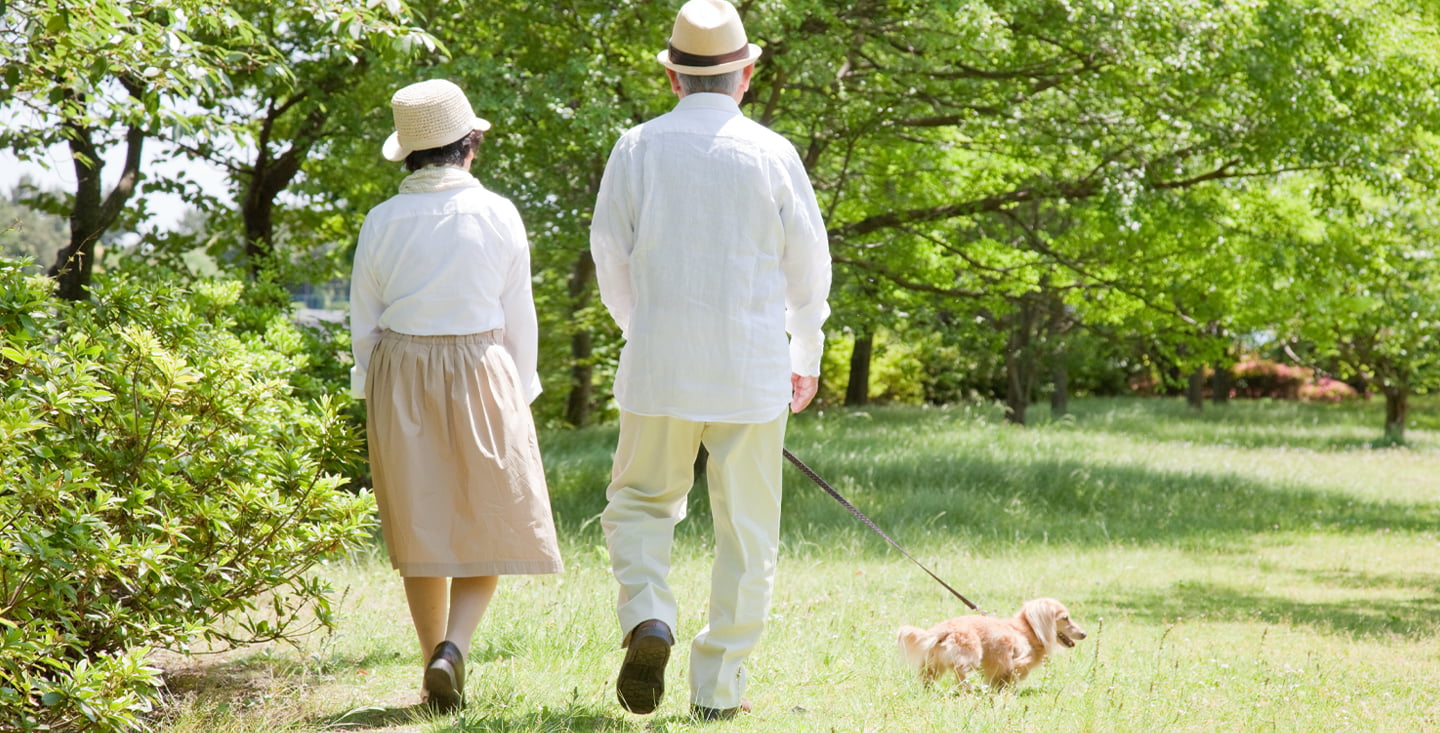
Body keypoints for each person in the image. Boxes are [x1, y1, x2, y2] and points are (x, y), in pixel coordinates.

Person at [589, 0, 832, 720]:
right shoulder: (772, 152)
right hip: (752, 367)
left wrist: (645, 327)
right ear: (746, 74)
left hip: (659, 363)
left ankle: (649, 615)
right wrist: (806, 349)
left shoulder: (636, 147)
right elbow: (808, 269)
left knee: (638, 503)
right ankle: (718, 689)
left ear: (672, 78)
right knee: (747, 534)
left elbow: (609, 253)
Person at [349, 78, 564, 713]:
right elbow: (517, 313)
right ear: (470, 145)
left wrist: (373, 392)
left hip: (400, 369)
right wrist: (521, 391)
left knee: (422, 525)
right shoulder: (499, 212)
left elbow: (365, 319)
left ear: (409, 153)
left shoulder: (382, 220)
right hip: (482, 364)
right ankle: (455, 648)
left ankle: (429, 666)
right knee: (488, 518)